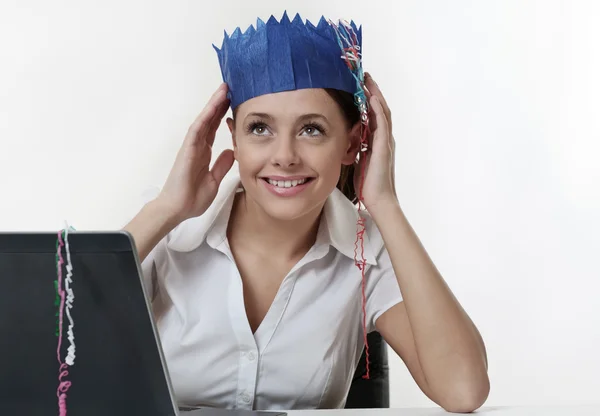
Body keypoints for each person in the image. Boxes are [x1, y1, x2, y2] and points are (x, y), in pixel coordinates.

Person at [124, 13, 489, 413]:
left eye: (311, 129)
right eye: (260, 128)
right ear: (234, 138)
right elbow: (52, 342)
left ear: (352, 144)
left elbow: (463, 391)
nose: (284, 157)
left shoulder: (368, 250)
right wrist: (165, 209)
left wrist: (385, 203)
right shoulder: (170, 229)